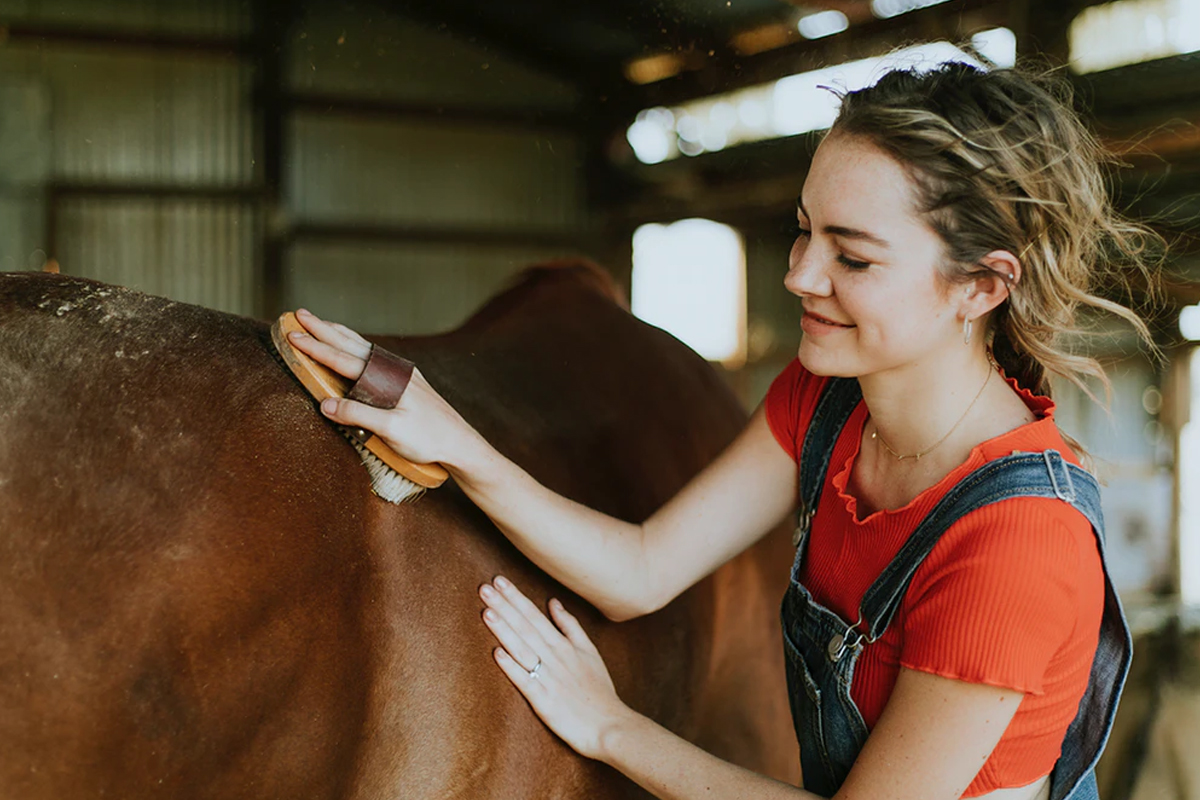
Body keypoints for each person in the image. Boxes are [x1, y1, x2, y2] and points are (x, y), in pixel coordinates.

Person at [288, 61, 1159, 800]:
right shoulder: (826, 405)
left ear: (981, 286)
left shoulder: (1016, 541)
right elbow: (640, 569)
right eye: (803, 233)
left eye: (852, 257)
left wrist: (610, 728)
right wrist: (459, 443)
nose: (801, 275)